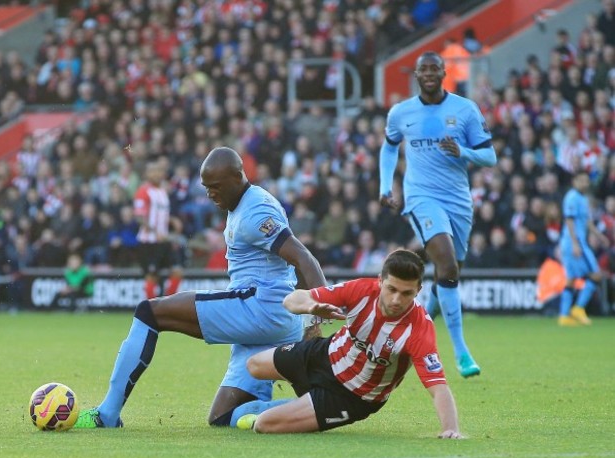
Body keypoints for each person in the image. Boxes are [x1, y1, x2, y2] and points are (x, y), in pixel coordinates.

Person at [74, 147, 327, 428]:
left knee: (150, 312)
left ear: (238, 176)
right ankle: (312, 407)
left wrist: (314, 321)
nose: (210, 194)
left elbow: (305, 259)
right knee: (223, 417)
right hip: (269, 321)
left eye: (216, 187)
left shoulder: (256, 211)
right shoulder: (244, 204)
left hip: (260, 309)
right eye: (206, 188)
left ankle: (107, 414)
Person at [231, 249, 463, 438]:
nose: (396, 300)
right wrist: (311, 306)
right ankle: (302, 403)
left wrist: (450, 429)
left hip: (352, 396)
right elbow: (291, 300)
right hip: (324, 354)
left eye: (406, 293)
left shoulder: (419, 328)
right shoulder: (361, 290)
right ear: (380, 281)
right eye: (392, 289)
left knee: (264, 424)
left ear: (418, 290)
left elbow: (438, 386)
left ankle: (294, 409)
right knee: (254, 365)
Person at [378, 51, 497, 378]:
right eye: (423, 69)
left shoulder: (465, 109)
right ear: (416, 75)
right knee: (445, 263)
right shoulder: (401, 113)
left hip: (458, 200)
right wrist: (386, 185)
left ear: (444, 72)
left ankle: (420, 319)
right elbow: (389, 147)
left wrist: (464, 152)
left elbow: (490, 156)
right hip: (421, 197)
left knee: (451, 271)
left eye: (434, 68)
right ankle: (461, 353)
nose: (429, 73)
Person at [558, 171, 609, 326]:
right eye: (581, 181)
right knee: (596, 275)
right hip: (575, 242)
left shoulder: (583, 198)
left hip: (575, 242)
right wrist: (574, 243)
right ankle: (579, 308)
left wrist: (600, 237)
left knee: (571, 279)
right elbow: (569, 221)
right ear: (575, 181)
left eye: (586, 181)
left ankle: (564, 316)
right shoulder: (572, 197)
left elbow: (587, 222)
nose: (584, 184)